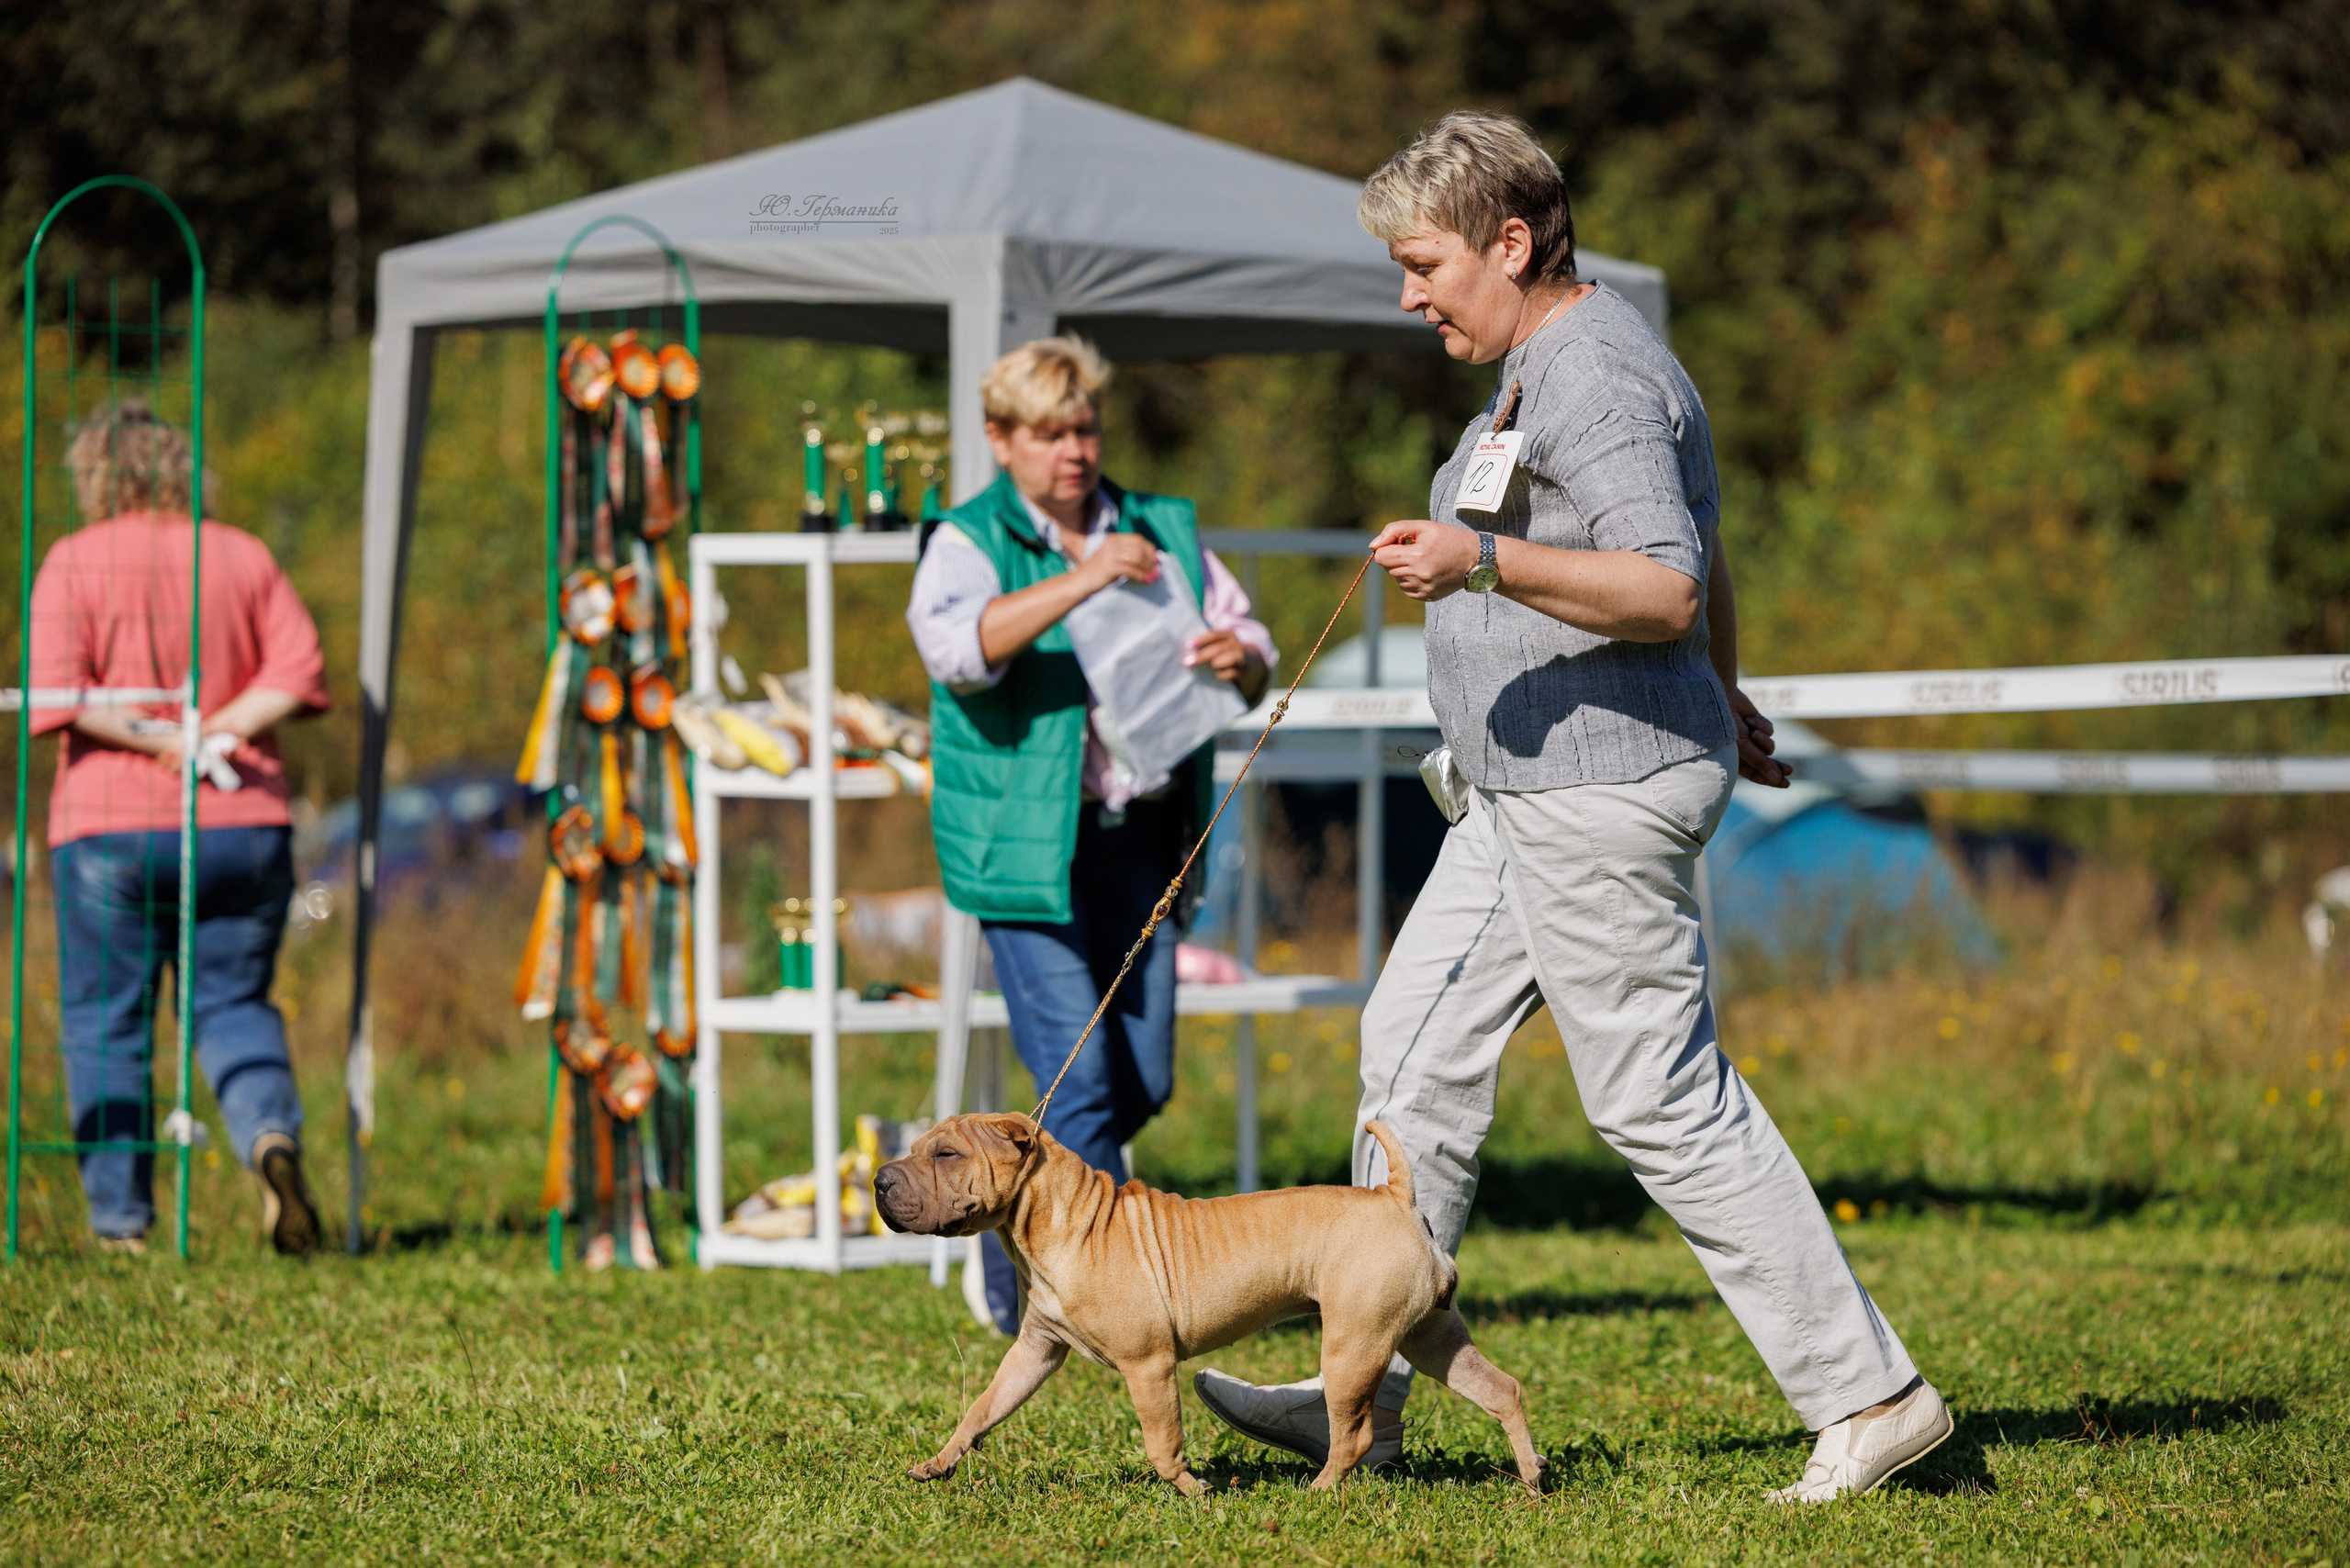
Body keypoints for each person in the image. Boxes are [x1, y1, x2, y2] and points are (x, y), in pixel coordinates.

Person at [1192, 113, 1949, 1503]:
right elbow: (1703, 568)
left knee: (1658, 1101)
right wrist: (1720, 692)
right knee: (1410, 1055)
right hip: (1522, 797)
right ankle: (1358, 1399)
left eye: (1422, 264)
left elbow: (1660, 578)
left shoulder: (1591, 370)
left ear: (1512, 242)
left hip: (1592, 797)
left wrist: (1480, 559)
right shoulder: (1540, 370)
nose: (1407, 294)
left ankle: (1873, 1396)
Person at [909, 337, 1276, 1335]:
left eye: (1085, 428)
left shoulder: (1157, 525)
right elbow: (957, 652)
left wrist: (1233, 655)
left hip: (1140, 835)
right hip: (1020, 848)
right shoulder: (969, 538)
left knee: (1140, 1075)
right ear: (1000, 439)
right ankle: (1093, 1300)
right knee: (1084, 1080)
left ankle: (1023, 1251)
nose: (1073, 451)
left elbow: (1256, 650)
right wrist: (1083, 579)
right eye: (1047, 433)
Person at [29, 401, 332, 1256]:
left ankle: (122, 1225)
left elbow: (59, 696)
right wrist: (218, 730)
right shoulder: (240, 553)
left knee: (108, 1020)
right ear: (176, 468)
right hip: (243, 822)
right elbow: (300, 671)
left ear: (95, 475)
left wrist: (160, 738)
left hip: (110, 826)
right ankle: (271, 1136)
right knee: (234, 1003)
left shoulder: (74, 560)